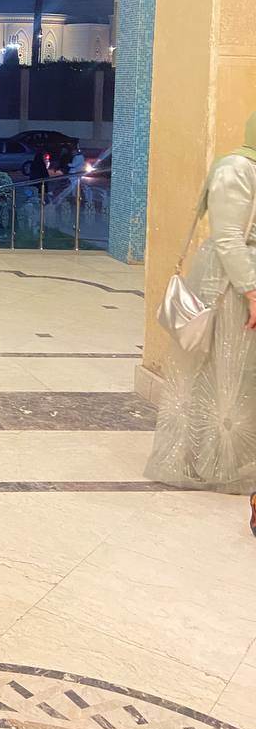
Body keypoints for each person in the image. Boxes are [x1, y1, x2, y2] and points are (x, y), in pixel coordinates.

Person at [145, 111, 256, 531]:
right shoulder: (236, 169)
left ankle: (235, 456)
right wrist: (251, 291)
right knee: (223, 373)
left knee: (242, 377)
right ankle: (211, 461)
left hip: (243, 284)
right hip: (229, 289)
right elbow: (228, 238)